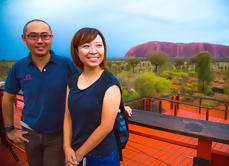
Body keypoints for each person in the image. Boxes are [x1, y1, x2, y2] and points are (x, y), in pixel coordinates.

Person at [2, 19, 132, 166]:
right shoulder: (19, 68)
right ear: (24, 38)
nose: (40, 40)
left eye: (44, 35)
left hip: (62, 137)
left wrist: (118, 107)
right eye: (33, 36)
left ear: (51, 38)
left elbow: (97, 85)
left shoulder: (65, 65)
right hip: (31, 134)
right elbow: (8, 98)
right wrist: (9, 129)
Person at [64, 28, 124, 166]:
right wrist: (66, 148)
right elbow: (67, 116)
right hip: (74, 152)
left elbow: (106, 127)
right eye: (86, 46)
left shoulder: (110, 83)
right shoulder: (73, 80)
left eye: (98, 45)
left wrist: (78, 155)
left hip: (101, 157)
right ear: (76, 51)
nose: (93, 51)